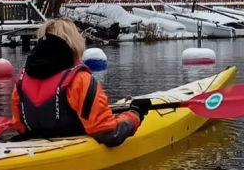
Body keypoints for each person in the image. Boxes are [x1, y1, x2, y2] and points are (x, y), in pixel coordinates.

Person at [10, 18, 146, 146]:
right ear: (74, 43)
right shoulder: (80, 79)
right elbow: (107, 133)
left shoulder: (22, 78)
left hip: (35, 145)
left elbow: (19, 126)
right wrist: (134, 115)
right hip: (71, 147)